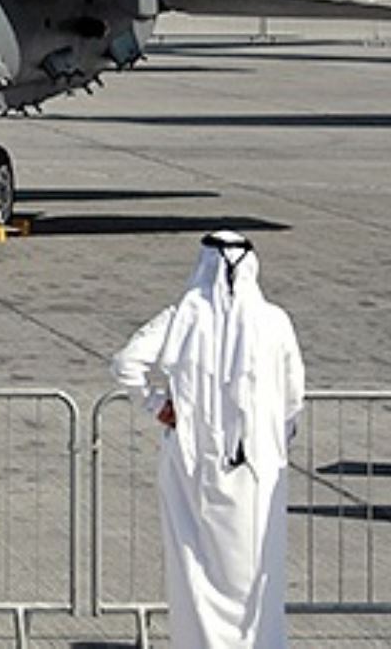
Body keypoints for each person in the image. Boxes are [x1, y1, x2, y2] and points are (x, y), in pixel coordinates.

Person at [110, 231, 305, 649]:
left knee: (195, 571)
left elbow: (127, 363)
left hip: (193, 466)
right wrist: (272, 439)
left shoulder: (181, 316)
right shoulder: (274, 321)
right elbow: (293, 399)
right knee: (256, 575)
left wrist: (157, 405)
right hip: (257, 470)